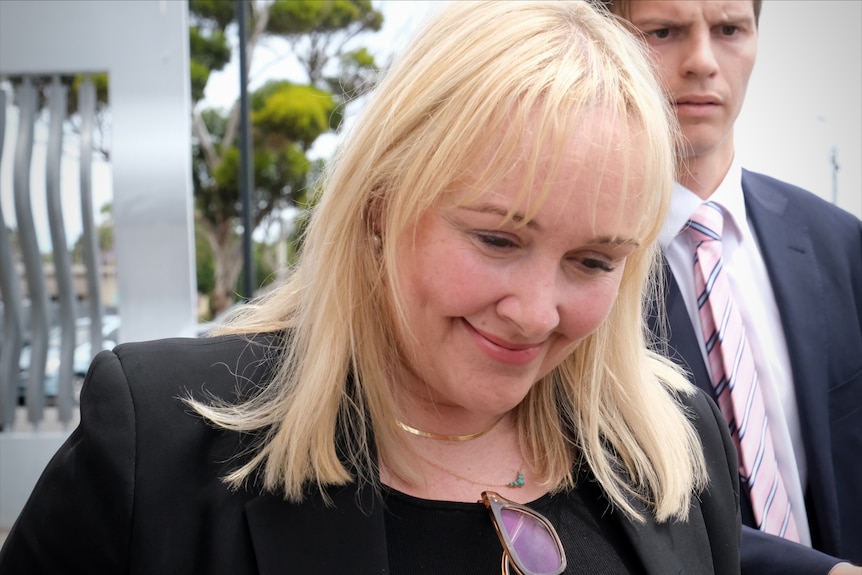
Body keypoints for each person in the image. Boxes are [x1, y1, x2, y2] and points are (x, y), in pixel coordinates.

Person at [0, 2, 741, 573]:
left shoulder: (675, 447)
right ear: (382, 202)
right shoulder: (158, 446)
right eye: (497, 239)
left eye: (592, 261)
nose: (535, 311)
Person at [602, 1, 862, 574]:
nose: (701, 61)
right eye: (663, 32)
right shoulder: (580, 268)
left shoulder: (840, 243)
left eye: (729, 30)